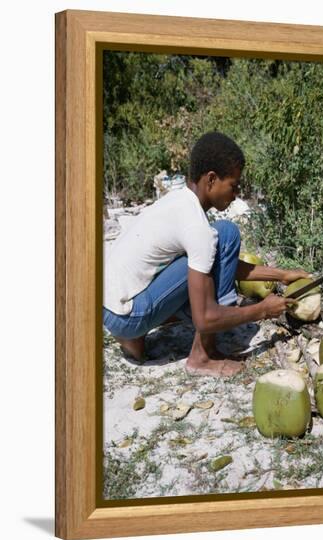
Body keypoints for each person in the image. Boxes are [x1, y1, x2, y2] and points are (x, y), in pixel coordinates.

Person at [103, 131, 311, 378]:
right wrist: (263, 310)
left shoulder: (177, 201)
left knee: (218, 240)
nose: (235, 195)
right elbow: (204, 319)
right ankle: (202, 356)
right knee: (227, 233)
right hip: (130, 314)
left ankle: (133, 336)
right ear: (211, 179)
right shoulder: (197, 227)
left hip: (109, 308)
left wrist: (281, 275)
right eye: (233, 186)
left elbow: (223, 265)